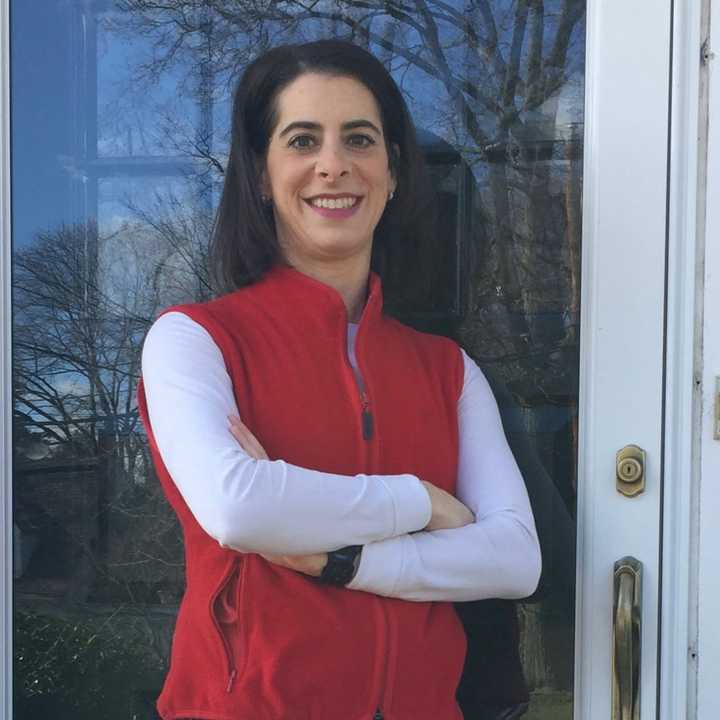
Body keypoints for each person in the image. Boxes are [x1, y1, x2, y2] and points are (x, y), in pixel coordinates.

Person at [138, 39, 541, 720]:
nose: (334, 165)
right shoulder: (194, 340)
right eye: (302, 140)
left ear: (392, 173)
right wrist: (421, 503)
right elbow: (241, 508)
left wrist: (344, 561)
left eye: (359, 138)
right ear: (262, 175)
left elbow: (514, 559)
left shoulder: (447, 370)